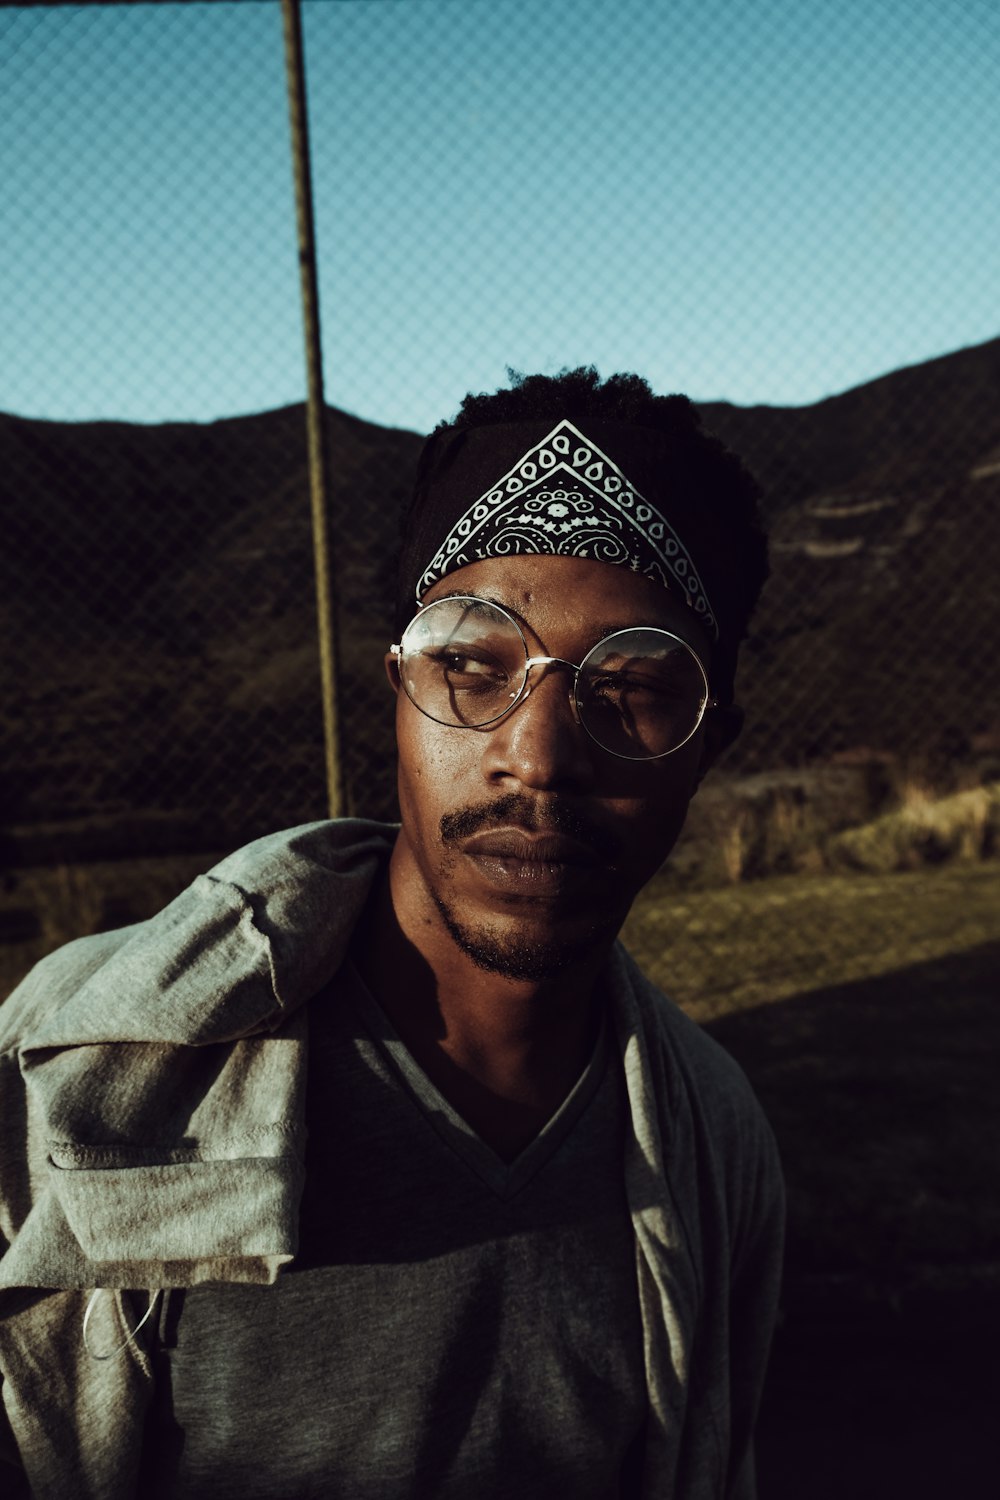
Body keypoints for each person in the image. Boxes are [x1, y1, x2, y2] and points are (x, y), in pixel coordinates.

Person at [0, 368, 783, 1499]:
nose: (540, 757)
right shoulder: (78, 1066)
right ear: (397, 689)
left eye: (632, 689)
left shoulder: (713, 1144)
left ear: (710, 745)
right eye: (472, 666)